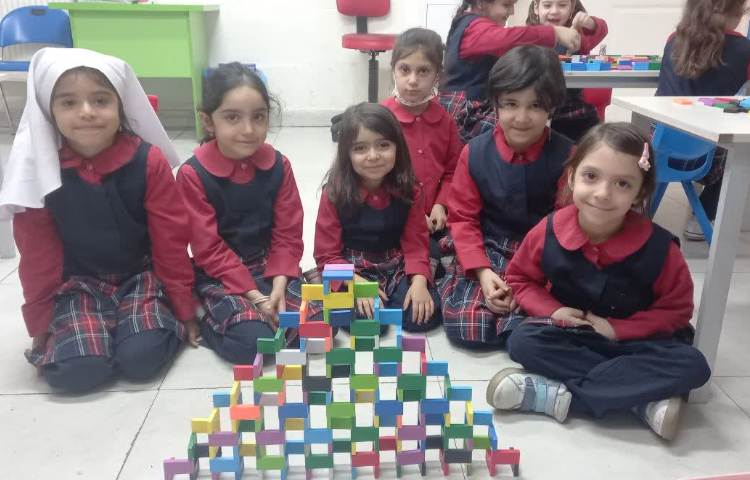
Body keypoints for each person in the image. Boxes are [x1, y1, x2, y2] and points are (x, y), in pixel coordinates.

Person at [487, 123, 711, 440]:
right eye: (591, 176)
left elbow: (676, 311)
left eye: (622, 183)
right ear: (571, 177)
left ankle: (557, 396)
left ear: (640, 193)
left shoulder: (660, 248)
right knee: (523, 341)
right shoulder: (548, 230)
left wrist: (618, 329)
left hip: (638, 344)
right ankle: (638, 400)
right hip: (575, 336)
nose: (603, 193)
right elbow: (520, 279)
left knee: (693, 365)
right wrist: (553, 311)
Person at [0, 48, 197, 393]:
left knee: (142, 360)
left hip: (141, 278)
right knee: (77, 372)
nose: (87, 112)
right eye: (69, 102)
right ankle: (95, 339)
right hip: (78, 286)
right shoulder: (38, 170)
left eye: (101, 100)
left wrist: (184, 308)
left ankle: (133, 330)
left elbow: (170, 240)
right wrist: (42, 324)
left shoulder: (148, 161)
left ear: (121, 105)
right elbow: (38, 255)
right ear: (49, 110)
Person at [177, 63, 314, 365]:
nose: (249, 130)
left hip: (271, 265)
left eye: (259, 117)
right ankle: (206, 316)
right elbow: (208, 249)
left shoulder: (280, 165)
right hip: (221, 273)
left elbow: (288, 234)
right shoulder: (192, 174)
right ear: (208, 121)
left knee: (317, 326)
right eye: (232, 117)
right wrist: (256, 297)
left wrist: (279, 284)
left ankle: (263, 311)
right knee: (254, 345)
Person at [440, 45, 573, 347]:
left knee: (541, 323)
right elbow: (462, 219)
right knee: (466, 326)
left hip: (543, 254)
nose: (522, 118)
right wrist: (484, 273)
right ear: (496, 104)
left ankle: (523, 318)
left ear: (552, 107)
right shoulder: (474, 153)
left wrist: (526, 284)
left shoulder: (568, 156)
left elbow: (565, 226)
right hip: (490, 248)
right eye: (511, 104)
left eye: (535, 106)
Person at [314, 103, 440, 333]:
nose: (373, 156)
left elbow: (415, 243)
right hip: (352, 267)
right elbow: (326, 254)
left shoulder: (410, 190)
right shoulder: (334, 193)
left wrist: (419, 281)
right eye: (360, 148)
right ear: (347, 154)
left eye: (383, 145)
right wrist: (355, 282)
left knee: (422, 317)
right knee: (369, 325)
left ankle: (399, 292)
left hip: (395, 261)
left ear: (398, 147)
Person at [656, 0, 750, 241]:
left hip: (656, 153)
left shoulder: (673, 40)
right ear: (734, 13)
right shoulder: (744, 49)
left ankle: (638, 205)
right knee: (739, 147)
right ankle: (703, 216)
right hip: (706, 157)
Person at [382, 27, 463, 278]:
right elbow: (376, 179)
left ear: (437, 75)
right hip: (394, 218)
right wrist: (414, 216)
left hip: (436, 220)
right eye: (404, 70)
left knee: (459, 257)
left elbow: (453, 171)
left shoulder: (445, 121)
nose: (413, 80)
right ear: (393, 70)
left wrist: (441, 204)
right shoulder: (382, 120)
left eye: (423, 71)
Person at [440, 0, 580, 142]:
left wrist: (587, 26)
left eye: (512, 5)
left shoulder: (470, 25)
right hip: (467, 112)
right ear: (481, 3)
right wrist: (554, 33)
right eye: (506, 5)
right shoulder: (474, 28)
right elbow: (506, 38)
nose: (512, 11)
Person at [527, 0, 609, 141]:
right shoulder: (529, 37)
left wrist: (590, 23)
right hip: (535, 107)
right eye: (547, 5)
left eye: (562, 5)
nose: (554, 11)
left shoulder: (577, 36)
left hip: (569, 112)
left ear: (571, 9)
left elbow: (601, 28)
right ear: (536, 7)